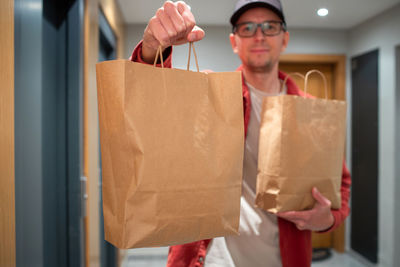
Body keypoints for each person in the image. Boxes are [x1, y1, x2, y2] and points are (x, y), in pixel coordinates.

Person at [130, 0, 351, 266]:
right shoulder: (212, 95)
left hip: (285, 258)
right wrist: (154, 49)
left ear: (284, 39)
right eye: (247, 27)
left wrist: (327, 219)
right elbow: (153, 113)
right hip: (211, 259)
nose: (259, 35)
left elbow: (341, 186)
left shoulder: (312, 112)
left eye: (270, 26)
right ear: (234, 41)